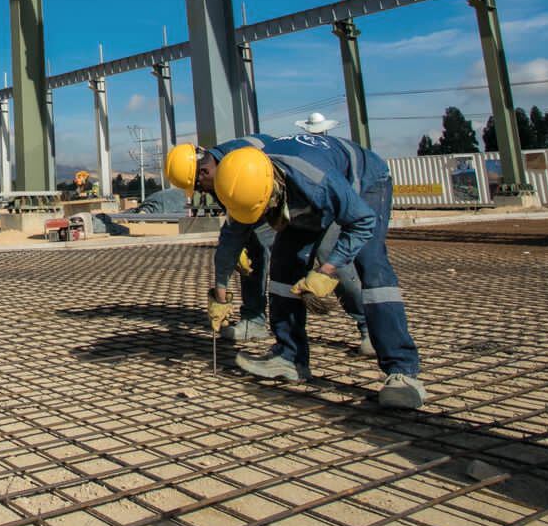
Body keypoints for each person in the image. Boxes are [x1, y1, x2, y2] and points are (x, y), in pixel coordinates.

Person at [165, 131, 425, 410]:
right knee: (284, 262)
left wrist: (326, 270)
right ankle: (290, 356)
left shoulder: (316, 180)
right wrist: (220, 290)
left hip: (364, 180)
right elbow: (231, 238)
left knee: (371, 264)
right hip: (296, 187)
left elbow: (361, 222)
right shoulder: (240, 178)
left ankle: (402, 372)